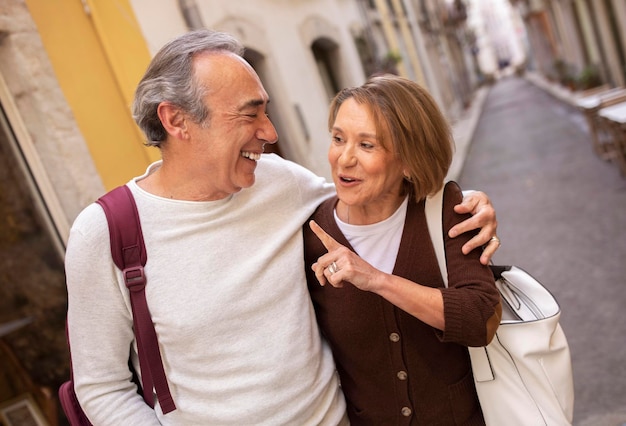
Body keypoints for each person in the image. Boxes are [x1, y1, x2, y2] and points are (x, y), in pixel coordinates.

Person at [64, 30, 499, 425]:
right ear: (177, 121)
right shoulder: (104, 234)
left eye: (266, 112)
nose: (270, 133)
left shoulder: (279, 182)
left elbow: (379, 192)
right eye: (250, 115)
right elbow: (102, 388)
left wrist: (465, 204)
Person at [303, 74, 503, 425]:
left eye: (367, 145)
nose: (344, 158)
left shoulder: (446, 211)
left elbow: (480, 321)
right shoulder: (311, 235)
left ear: (408, 160)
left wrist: (377, 280)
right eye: (338, 139)